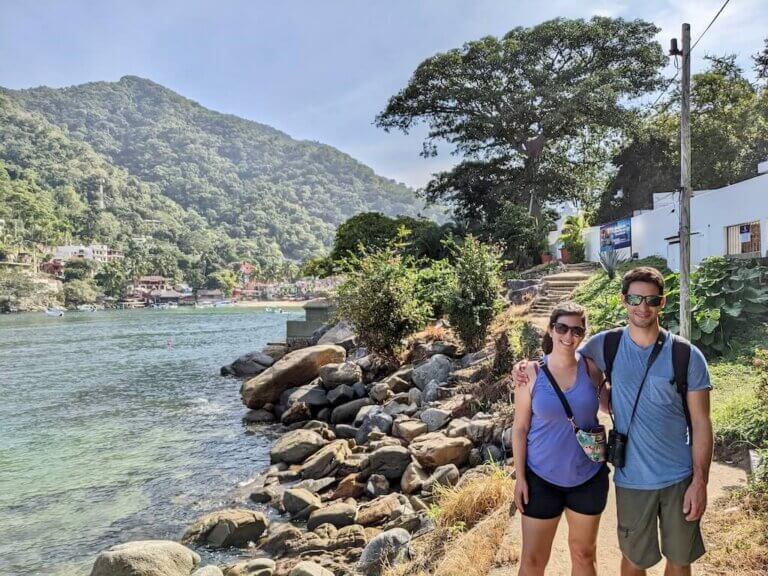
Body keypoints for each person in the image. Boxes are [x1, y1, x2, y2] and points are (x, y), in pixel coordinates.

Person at [514, 266, 713, 576]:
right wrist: (524, 368)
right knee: (634, 561)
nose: (642, 307)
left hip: (679, 476)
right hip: (630, 478)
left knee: (679, 560)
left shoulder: (686, 356)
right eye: (635, 298)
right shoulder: (606, 346)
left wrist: (700, 481)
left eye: (651, 299)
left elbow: (702, 423)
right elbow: (566, 363)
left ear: (662, 302)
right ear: (624, 300)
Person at [513, 301, 610, 576]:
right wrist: (520, 478)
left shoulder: (591, 369)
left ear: (583, 333)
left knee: (584, 555)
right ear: (550, 329)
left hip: (587, 476)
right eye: (562, 328)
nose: (569, 337)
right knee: (532, 561)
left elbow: (609, 405)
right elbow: (519, 428)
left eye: (577, 330)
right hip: (541, 478)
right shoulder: (530, 373)